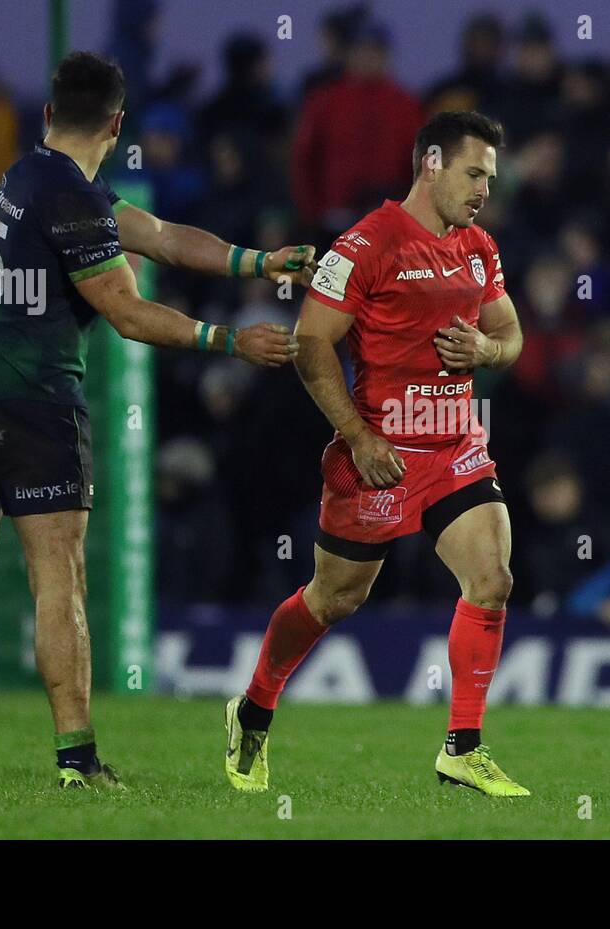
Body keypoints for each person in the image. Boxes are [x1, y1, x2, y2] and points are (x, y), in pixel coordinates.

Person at [0, 51, 315, 790]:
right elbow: (125, 312)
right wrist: (228, 340)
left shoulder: (32, 178)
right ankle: (75, 761)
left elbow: (158, 234)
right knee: (58, 580)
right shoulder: (76, 201)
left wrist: (259, 262)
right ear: (120, 125)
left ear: (48, 114)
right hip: (38, 408)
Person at [225, 111, 530, 797]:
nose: (484, 188)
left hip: (454, 447)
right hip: (380, 456)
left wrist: (487, 351)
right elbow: (311, 343)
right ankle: (255, 703)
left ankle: (463, 746)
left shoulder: (478, 246)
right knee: (333, 599)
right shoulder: (367, 243)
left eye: (490, 176)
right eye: (473, 172)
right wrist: (359, 438)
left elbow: (509, 333)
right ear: (430, 163)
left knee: (493, 577)